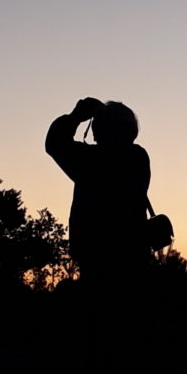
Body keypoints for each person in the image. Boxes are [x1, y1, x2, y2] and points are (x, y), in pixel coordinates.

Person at [46, 97, 152, 284]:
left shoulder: (94, 160)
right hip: (130, 254)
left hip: (103, 257)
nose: (95, 130)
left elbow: (55, 143)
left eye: (99, 124)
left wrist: (75, 116)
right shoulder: (137, 157)